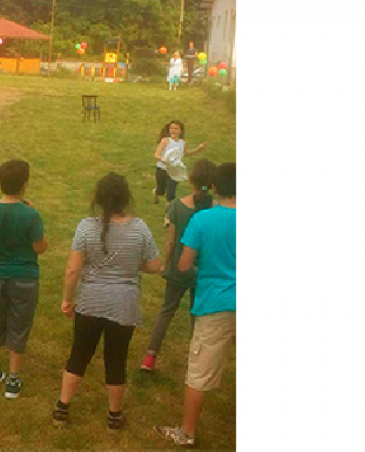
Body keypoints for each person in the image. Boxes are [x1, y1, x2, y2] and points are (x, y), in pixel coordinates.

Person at [52, 173, 161, 431]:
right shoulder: (140, 228)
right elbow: (155, 266)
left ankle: (62, 409)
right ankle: (114, 416)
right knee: (116, 359)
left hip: (90, 302)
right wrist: (132, 264)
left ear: (98, 198)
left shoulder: (86, 227)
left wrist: (67, 300)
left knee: (79, 354)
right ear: (126, 198)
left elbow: (73, 270)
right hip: (125, 305)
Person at [154, 163, 236, 446]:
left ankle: (187, 433)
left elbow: (184, 264)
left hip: (216, 303)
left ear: (214, 187)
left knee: (199, 372)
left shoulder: (202, 220)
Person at [0, 160, 48, 399]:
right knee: (19, 323)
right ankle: (13, 380)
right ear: (24, 185)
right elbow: (40, 247)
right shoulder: (30, 214)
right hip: (25, 278)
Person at [141, 160, 217, 372]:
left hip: (178, 268)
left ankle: (150, 358)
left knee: (166, 311)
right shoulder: (215, 210)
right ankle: (195, 362)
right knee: (196, 316)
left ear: (191, 180)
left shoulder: (176, 206)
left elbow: (171, 242)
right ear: (213, 184)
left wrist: (166, 265)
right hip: (203, 272)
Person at [154, 121, 207, 204]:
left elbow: (185, 153)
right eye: (171, 128)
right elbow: (157, 154)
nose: (173, 130)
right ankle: (157, 193)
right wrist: (164, 160)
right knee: (161, 190)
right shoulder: (165, 141)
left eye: (176, 128)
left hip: (175, 170)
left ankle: (170, 207)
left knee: (171, 193)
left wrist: (198, 149)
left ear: (181, 131)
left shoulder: (182, 143)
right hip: (162, 169)